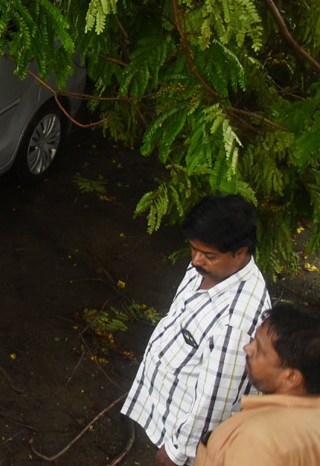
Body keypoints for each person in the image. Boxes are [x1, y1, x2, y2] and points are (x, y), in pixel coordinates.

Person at [122, 194, 272, 465]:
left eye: (208, 255)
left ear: (241, 251)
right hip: (171, 409)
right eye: (193, 249)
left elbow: (215, 404)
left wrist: (178, 452)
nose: (196, 260)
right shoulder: (210, 269)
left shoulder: (236, 326)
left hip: (191, 443)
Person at [195, 302, 320, 465]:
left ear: (291, 377)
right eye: (253, 340)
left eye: (260, 349)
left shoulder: (253, 441)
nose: (247, 348)